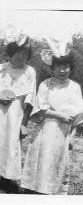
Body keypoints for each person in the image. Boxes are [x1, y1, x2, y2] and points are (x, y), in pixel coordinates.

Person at [0, 27, 37, 193]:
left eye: (25, 53)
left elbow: (31, 100)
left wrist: (24, 124)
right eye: (17, 52)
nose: (21, 56)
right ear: (10, 52)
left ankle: (4, 185)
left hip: (16, 116)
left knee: (10, 147)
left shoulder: (30, 72)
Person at [21, 38, 83, 195]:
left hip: (64, 132)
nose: (63, 70)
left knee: (59, 161)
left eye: (66, 67)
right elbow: (41, 109)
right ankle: (37, 189)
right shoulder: (46, 85)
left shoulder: (75, 87)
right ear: (53, 68)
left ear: (71, 68)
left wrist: (72, 137)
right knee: (43, 158)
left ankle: (54, 190)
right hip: (47, 130)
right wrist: (58, 115)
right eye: (59, 67)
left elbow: (77, 117)